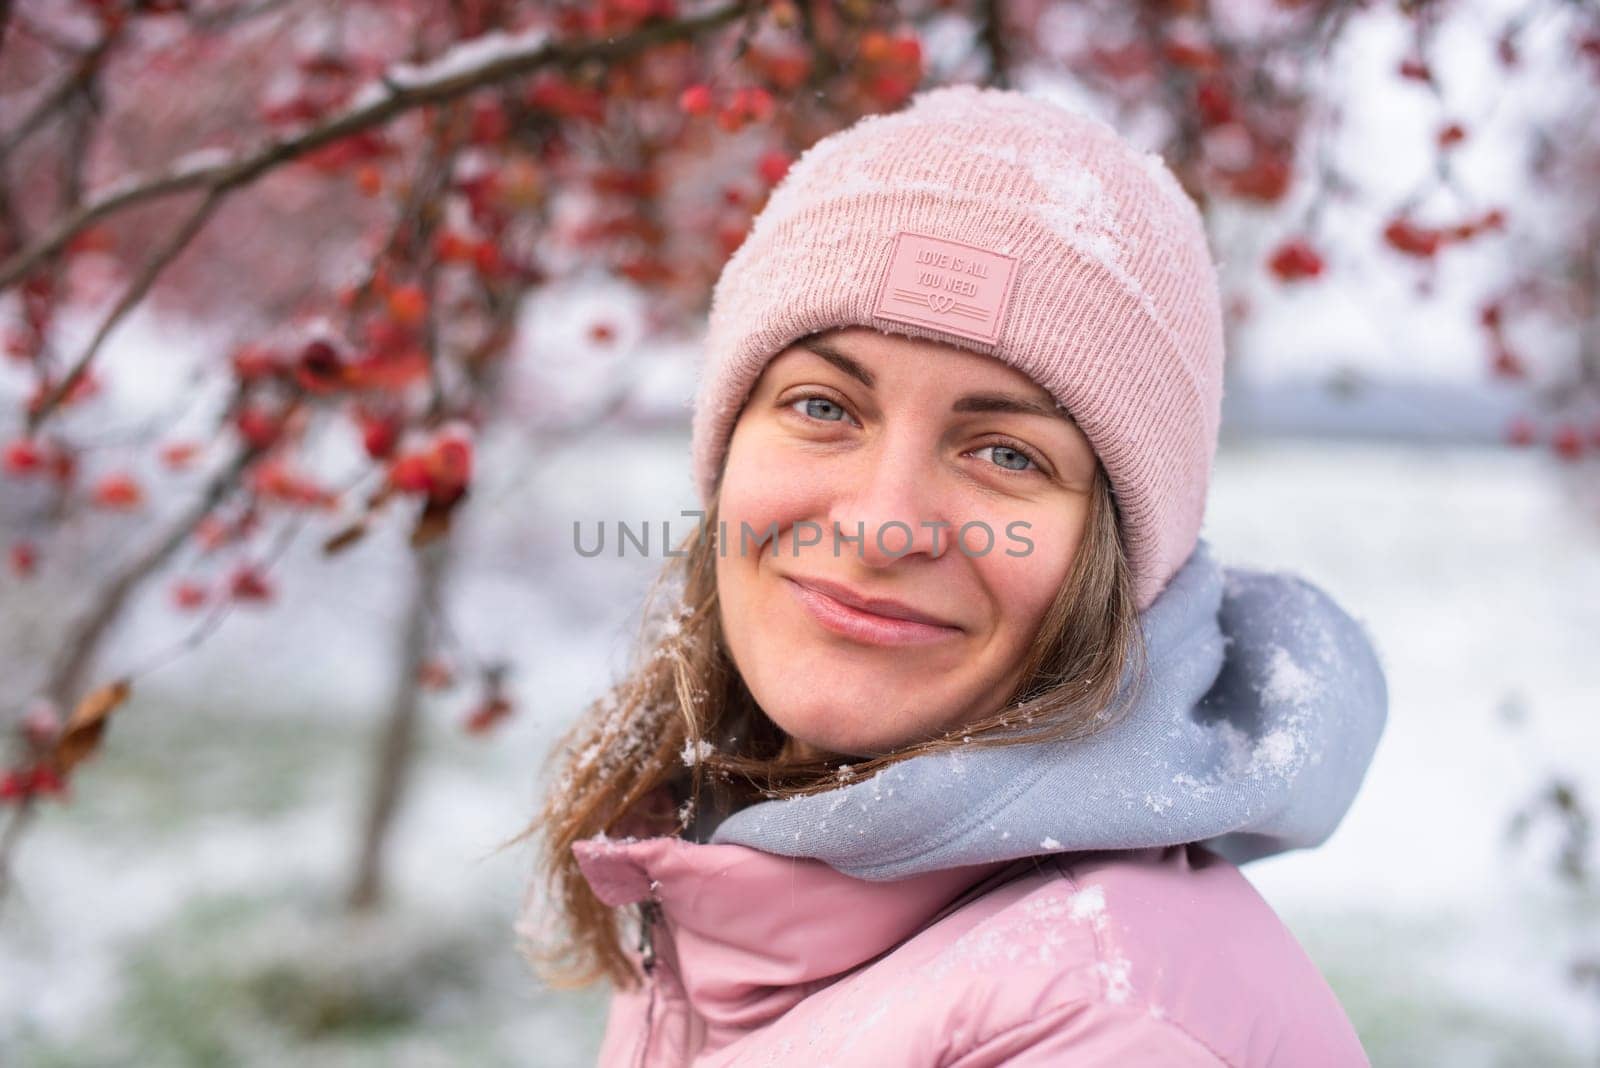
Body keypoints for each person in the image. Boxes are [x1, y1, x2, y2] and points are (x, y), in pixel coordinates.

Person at [513, 84, 1388, 1066]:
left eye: (1006, 455)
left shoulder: (1106, 1026)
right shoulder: (726, 856)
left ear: (1115, 559)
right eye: (822, 406)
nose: (884, 525)